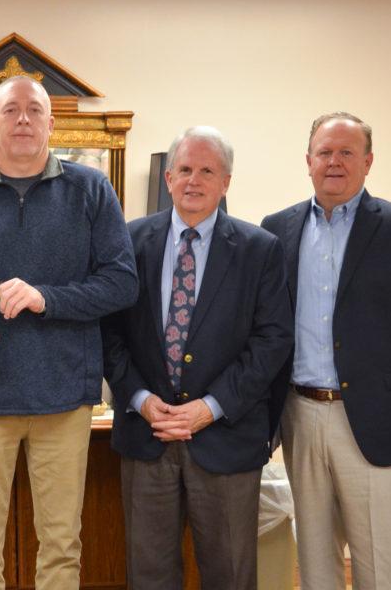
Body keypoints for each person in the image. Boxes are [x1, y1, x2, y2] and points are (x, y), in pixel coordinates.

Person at [0, 76, 139, 589]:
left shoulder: (90, 189)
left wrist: (47, 298)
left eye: (34, 110)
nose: (23, 119)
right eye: (11, 110)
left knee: (62, 546)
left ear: (51, 124)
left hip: (65, 400)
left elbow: (122, 282)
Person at [261, 112, 391, 590]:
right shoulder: (276, 228)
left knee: (379, 563)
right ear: (308, 161)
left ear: (368, 162)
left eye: (347, 152)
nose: (335, 162)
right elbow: (267, 328)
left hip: (376, 417)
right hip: (299, 413)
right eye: (325, 152)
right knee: (316, 560)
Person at [101, 126, 294, 590]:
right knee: (148, 575)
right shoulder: (129, 242)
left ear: (225, 182)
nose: (194, 180)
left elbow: (273, 340)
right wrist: (141, 398)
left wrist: (209, 407)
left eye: (207, 170)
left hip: (226, 436)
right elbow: (108, 334)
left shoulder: (260, 249)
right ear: (168, 178)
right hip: (149, 433)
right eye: (185, 169)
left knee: (229, 573)